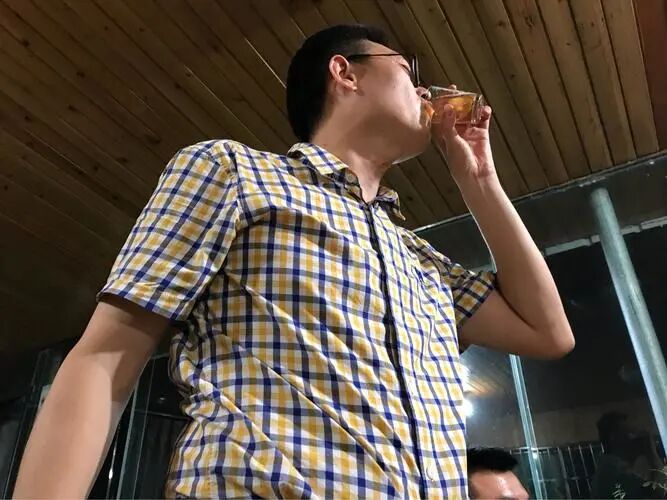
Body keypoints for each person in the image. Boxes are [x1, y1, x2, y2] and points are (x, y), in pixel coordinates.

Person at [13, 24, 574, 498]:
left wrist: (480, 181)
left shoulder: (418, 256)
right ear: (345, 73)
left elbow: (548, 332)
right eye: (409, 72)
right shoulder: (235, 172)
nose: (426, 92)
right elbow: (106, 356)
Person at [591, 412, 667, 499]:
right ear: (614, 438)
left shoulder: (608, 469)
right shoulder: (615, 473)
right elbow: (660, 493)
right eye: (631, 433)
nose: (637, 439)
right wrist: (652, 454)